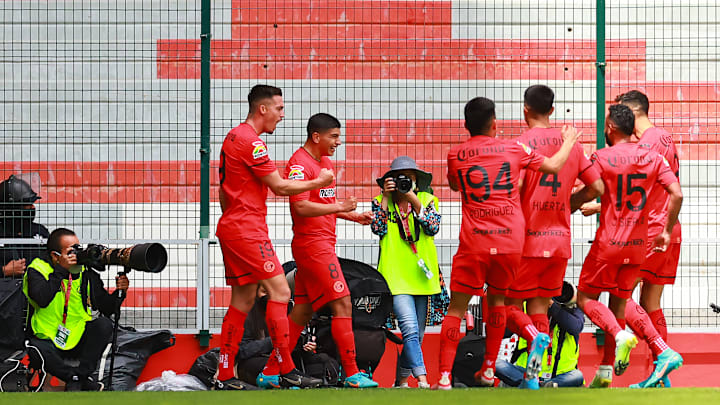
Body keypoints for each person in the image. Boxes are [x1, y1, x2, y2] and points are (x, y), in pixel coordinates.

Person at [437, 96, 581, 390]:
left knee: (456, 308)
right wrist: (568, 141)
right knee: (499, 301)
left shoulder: (456, 154)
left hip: (475, 240)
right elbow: (553, 166)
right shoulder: (515, 148)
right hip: (511, 241)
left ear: (466, 125)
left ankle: (442, 378)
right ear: (495, 123)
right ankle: (489, 370)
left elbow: (454, 184)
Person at [215, 84, 332, 390]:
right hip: (247, 230)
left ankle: (225, 373)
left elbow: (222, 191)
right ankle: (287, 369)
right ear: (262, 109)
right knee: (280, 293)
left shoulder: (232, 136)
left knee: (242, 299)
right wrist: (318, 181)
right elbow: (280, 187)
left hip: (232, 226)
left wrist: (234, 216)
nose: (282, 115)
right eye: (279, 109)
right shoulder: (252, 143)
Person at [257, 113, 378, 389]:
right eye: (334, 136)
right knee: (343, 301)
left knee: (302, 311)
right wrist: (339, 209)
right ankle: (352, 374)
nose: (338, 141)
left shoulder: (324, 163)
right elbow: (300, 207)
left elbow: (327, 203)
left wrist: (354, 216)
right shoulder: (299, 164)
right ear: (316, 137)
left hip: (321, 244)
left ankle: (270, 371)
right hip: (313, 247)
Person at [582, 91, 685, 389]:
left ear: (631, 113)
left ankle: (661, 354)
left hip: (649, 228)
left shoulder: (646, 145)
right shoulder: (664, 137)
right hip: (670, 225)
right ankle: (658, 375)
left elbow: (634, 193)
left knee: (620, 297)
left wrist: (599, 206)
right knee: (650, 301)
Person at [504, 85, 603, 384]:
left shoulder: (519, 144)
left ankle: (532, 342)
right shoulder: (570, 145)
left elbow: (516, 188)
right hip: (559, 241)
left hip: (526, 240)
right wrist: (570, 203)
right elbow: (597, 188)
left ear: (525, 110)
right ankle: (533, 379)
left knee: (503, 305)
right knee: (539, 308)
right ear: (552, 111)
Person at [22, 228, 128, 391]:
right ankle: (76, 378)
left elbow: (107, 307)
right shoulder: (37, 269)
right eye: (71, 251)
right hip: (46, 336)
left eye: (78, 248)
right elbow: (41, 299)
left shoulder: (85, 272)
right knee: (37, 350)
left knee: (104, 324)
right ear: (54, 256)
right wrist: (61, 271)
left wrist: (120, 293)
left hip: (77, 335)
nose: (76, 255)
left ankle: (80, 375)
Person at [370, 156, 443, 389]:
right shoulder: (380, 201)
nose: (404, 183)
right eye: (399, 179)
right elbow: (378, 228)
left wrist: (412, 197)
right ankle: (422, 379)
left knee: (417, 335)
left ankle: (401, 382)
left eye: (409, 179)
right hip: (395, 276)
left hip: (422, 277)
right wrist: (385, 197)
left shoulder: (428, 199)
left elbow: (432, 226)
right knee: (409, 329)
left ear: (417, 181)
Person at [496, 282, 585, 388]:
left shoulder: (573, 312)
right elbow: (504, 332)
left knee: (577, 375)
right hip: (525, 371)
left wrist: (552, 307)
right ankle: (536, 383)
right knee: (495, 363)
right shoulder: (527, 307)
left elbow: (575, 327)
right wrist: (518, 309)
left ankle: (545, 384)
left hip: (560, 374)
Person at [1, 174, 50, 278]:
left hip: (37, 291)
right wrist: (4, 271)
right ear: (12, 208)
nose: (32, 207)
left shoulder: (40, 231)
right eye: (27, 204)